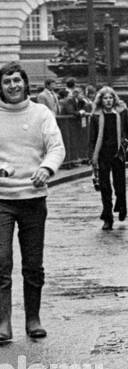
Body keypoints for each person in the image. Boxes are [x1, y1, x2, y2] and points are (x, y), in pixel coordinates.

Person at [0, 63, 64, 344]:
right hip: (2, 198)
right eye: (6, 82)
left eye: (17, 80)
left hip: (33, 198)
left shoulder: (41, 113)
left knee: (33, 263)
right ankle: (3, 322)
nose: (12, 86)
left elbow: (56, 146)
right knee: (1, 262)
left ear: (26, 84)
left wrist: (47, 169)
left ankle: (33, 318)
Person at [87, 86, 128, 231]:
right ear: (101, 100)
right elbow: (92, 138)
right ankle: (108, 217)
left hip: (118, 152)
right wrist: (91, 156)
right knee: (105, 187)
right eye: (105, 98)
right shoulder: (95, 116)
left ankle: (122, 206)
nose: (108, 101)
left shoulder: (121, 112)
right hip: (102, 154)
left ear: (114, 99)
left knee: (119, 185)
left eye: (110, 98)